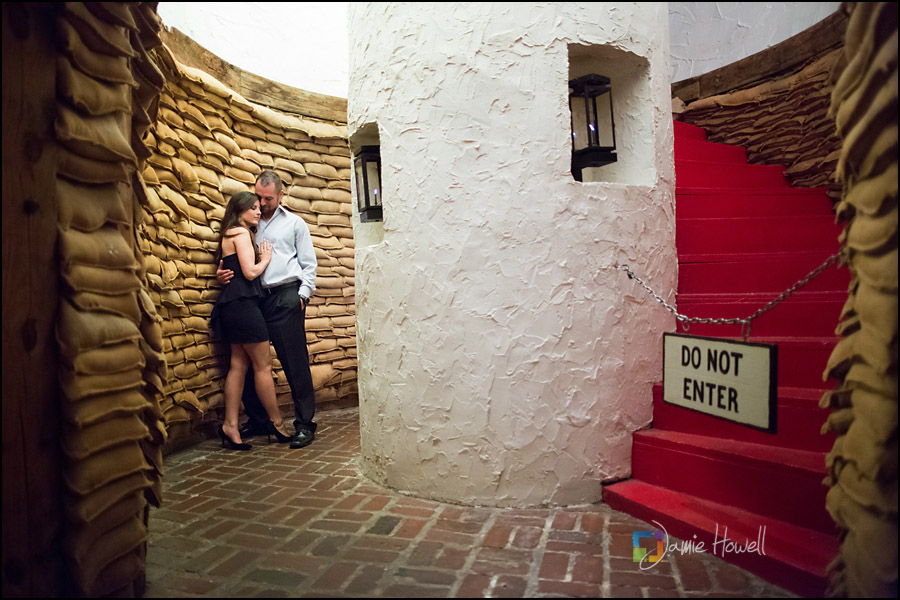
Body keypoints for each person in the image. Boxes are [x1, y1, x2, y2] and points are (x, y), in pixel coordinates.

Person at [216, 171, 318, 449]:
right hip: (253, 298)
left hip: (285, 297)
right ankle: (259, 420)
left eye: (268, 198)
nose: (261, 204)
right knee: (248, 364)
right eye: (258, 198)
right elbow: (233, 256)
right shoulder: (248, 223)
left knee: (293, 362)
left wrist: (302, 297)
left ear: (281, 195)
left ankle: (304, 424)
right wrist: (222, 273)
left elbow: (309, 263)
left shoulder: (294, 223)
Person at [209, 191, 293, 450]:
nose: (258, 212)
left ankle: (230, 426)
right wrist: (265, 260)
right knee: (262, 366)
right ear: (240, 210)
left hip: (231, 306)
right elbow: (249, 272)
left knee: (238, 365)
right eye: (253, 208)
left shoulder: (229, 234)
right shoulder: (242, 233)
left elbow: (231, 270)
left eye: (259, 207)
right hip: (244, 306)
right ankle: (276, 423)